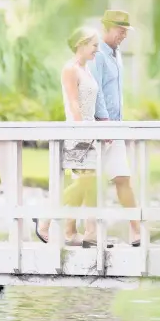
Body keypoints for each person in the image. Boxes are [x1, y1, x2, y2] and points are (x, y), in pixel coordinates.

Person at [33, 26, 114, 248]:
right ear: (81, 44)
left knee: (87, 183)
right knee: (86, 182)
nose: (97, 49)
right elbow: (73, 102)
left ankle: (72, 232)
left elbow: (91, 103)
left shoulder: (86, 69)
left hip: (90, 132)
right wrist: (82, 131)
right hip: (78, 133)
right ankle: (46, 219)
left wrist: (100, 128)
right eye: (94, 45)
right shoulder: (70, 69)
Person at [89, 9, 143, 246]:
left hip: (115, 127)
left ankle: (137, 231)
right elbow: (95, 88)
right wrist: (103, 122)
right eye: (121, 30)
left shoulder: (116, 54)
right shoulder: (97, 53)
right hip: (102, 128)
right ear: (107, 28)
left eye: (126, 31)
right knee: (87, 183)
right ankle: (55, 226)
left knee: (122, 179)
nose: (124, 35)